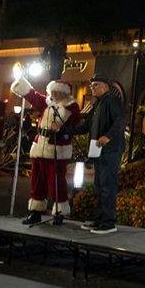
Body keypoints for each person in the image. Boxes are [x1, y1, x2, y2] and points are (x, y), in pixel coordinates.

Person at [53, 73, 125, 234]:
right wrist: (63, 129)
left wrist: (108, 136)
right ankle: (100, 220)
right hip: (99, 150)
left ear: (106, 86)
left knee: (107, 186)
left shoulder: (111, 100)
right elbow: (86, 127)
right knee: (99, 186)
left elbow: (120, 120)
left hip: (110, 150)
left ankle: (108, 223)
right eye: (91, 85)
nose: (92, 88)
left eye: (96, 85)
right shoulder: (98, 104)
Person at [10, 78, 82, 224]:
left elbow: (67, 118)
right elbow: (34, 96)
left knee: (56, 182)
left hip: (57, 148)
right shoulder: (48, 102)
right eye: (52, 91)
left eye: (57, 92)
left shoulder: (71, 105)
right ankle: (36, 212)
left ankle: (59, 213)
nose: (53, 94)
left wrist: (53, 105)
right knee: (37, 181)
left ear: (64, 93)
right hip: (40, 146)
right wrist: (21, 84)